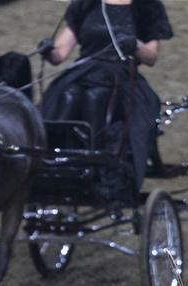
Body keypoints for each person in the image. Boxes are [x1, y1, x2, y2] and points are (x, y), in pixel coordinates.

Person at [38, 0, 173, 192]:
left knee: (95, 98)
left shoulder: (146, 5)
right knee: (67, 96)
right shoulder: (86, 4)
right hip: (85, 72)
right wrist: (49, 50)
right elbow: (60, 53)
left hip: (121, 75)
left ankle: (97, 164)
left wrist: (135, 45)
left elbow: (151, 56)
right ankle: (53, 160)